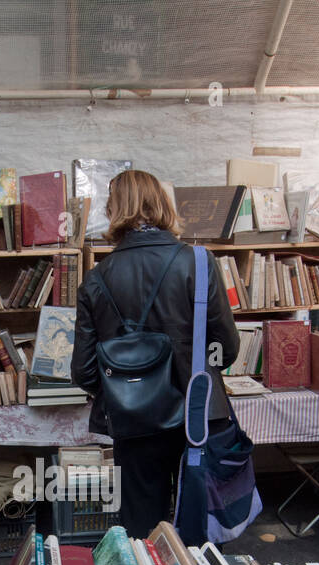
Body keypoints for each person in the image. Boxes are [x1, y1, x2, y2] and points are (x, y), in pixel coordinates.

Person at [71, 170, 239, 536]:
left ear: (115, 211)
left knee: (143, 528)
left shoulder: (96, 280)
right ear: (161, 204)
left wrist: (128, 382)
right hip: (198, 415)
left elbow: (83, 372)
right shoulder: (198, 261)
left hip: (136, 424)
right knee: (201, 521)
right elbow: (226, 348)